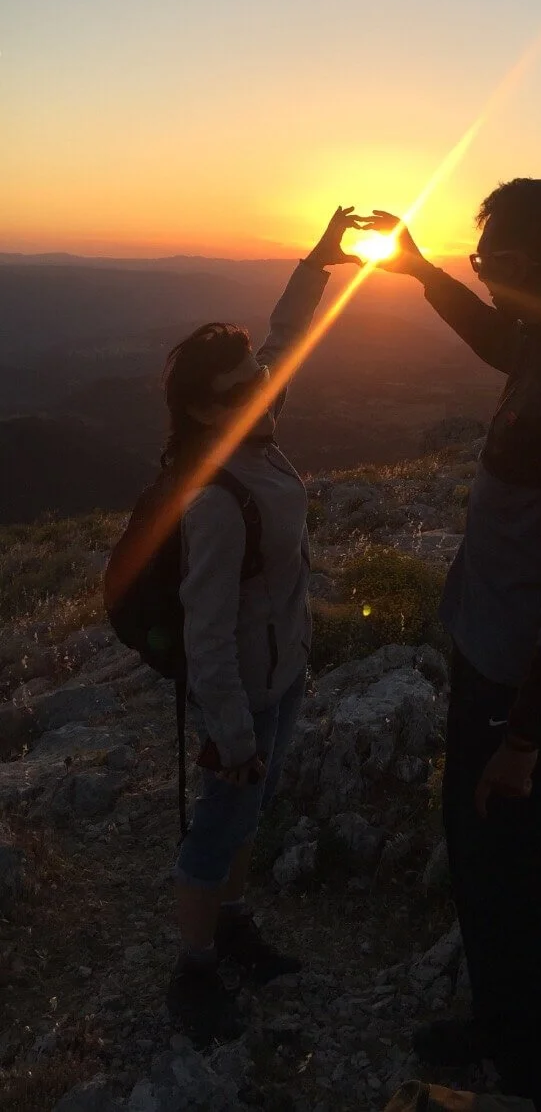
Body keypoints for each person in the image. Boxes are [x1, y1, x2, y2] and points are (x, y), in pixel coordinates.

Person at [368, 180, 541, 1112]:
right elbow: (497, 345)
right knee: (477, 859)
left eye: (489, 260)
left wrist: (527, 737)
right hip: (486, 655)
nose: (482, 274)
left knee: (510, 889)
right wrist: (421, 274)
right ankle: (496, 1026)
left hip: (522, 686)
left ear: (526, 264)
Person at [163, 206, 365, 1045]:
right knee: (220, 821)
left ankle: (235, 923)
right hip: (244, 689)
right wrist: (234, 730)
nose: (260, 384)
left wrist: (319, 260)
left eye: (255, 374)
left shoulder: (256, 425)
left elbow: (286, 333)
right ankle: (194, 966)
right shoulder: (214, 498)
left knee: (247, 816)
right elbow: (204, 632)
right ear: (206, 412)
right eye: (241, 384)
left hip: (283, 673)